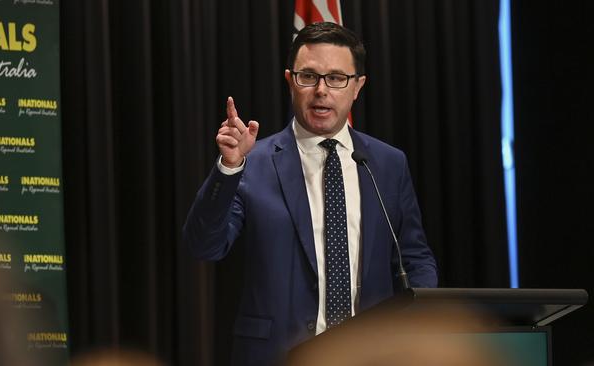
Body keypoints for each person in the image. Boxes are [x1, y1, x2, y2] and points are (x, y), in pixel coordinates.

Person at [183, 22, 437, 366]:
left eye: (336, 78)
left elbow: (414, 258)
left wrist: (424, 323)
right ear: (290, 81)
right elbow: (204, 245)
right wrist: (229, 168)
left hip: (372, 355)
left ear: (357, 87)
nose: (321, 90)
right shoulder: (253, 163)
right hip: (278, 356)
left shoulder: (388, 164)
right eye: (308, 76)